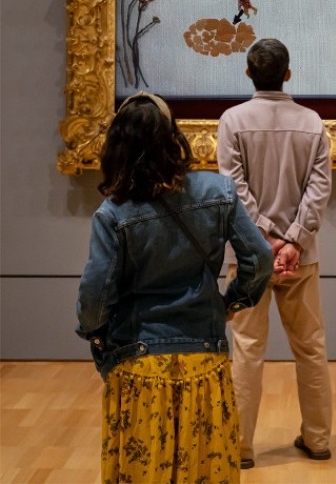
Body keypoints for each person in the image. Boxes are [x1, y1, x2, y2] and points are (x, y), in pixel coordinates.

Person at [76, 91, 273, 484]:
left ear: (117, 145)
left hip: (139, 361)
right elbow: (260, 258)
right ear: (172, 136)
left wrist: (96, 337)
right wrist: (232, 302)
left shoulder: (113, 213)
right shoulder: (218, 193)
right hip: (205, 358)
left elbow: (95, 293)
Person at [217, 38, 333, 469]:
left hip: (249, 256)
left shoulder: (232, 120)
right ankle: (318, 440)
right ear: (287, 74)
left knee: (247, 349)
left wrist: (264, 239)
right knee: (311, 348)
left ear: (249, 73)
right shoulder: (312, 122)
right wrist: (293, 241)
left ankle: (241, 448)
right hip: (301, 257)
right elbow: (319, 190)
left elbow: (233, 188)